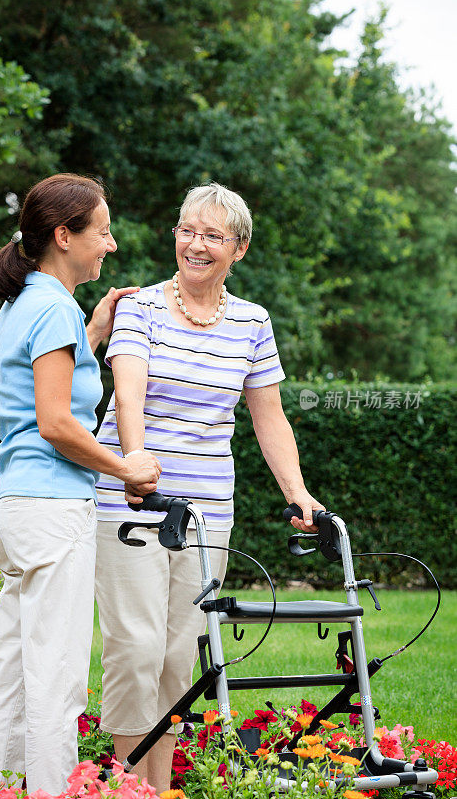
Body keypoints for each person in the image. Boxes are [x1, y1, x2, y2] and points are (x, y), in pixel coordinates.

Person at [94, 182, 325, 792]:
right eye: (187, 230)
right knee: (136, 648)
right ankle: (126, 786)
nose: (195, 244)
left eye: (213, 235)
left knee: (177, 654)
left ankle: (160, 785)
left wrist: (296, 492)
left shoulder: (252, 322)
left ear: (239, 250)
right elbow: (129, 388)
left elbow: (268, 414)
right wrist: (135, 460)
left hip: (207, 512)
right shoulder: (140, 307)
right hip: (133, 502)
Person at [0, 173, 161, 794]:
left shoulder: (24, 304)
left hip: (18, 509)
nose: (111, 244)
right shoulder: (52, 307)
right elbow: (54, 423)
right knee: (55, 678)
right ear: (63, 235)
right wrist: (126, 466)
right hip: (54, 512)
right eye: (102, 231)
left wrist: (94, 329)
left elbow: (42, 393)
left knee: (11, 673)